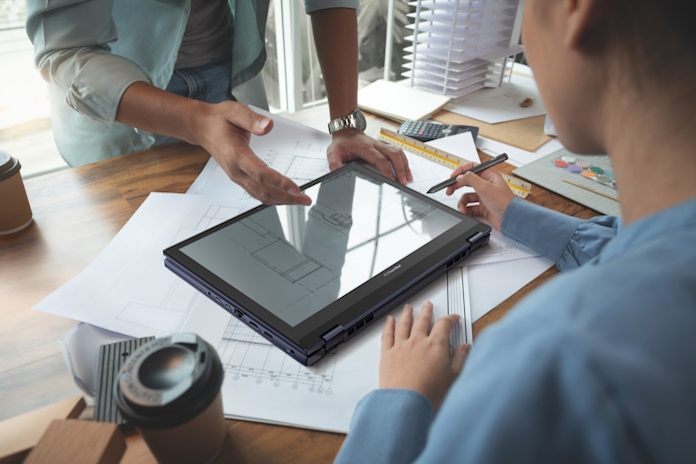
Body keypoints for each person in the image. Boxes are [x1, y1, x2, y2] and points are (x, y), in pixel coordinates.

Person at [335, 0, 696, 462]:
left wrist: (399, 401)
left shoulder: (556, 361)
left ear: (574, 11)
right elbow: (635, 248)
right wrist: (517, 215)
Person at [25, 0, 411, 206]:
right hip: (121, 110)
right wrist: (195, 121)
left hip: (229, 89)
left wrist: (344, 123)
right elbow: (64, 50)